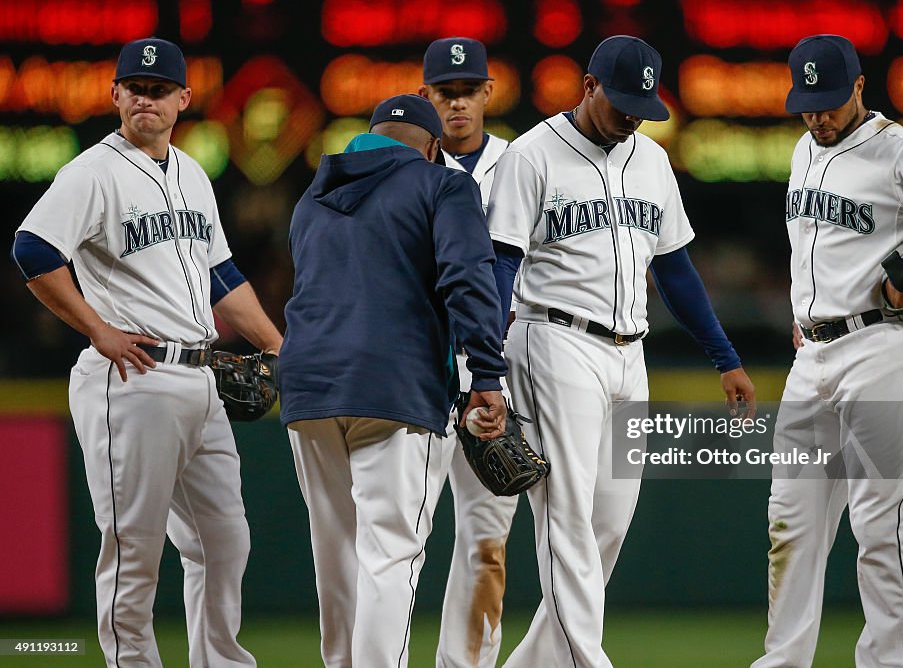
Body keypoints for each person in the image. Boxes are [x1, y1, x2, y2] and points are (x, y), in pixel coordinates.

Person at [11, 37, 283, 667]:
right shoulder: (90, 172)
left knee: (224, 541)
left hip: (202, 376)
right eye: (135, 87)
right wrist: (97, 330)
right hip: (132, 376)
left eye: (159, 90)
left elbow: (222, 277)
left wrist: (277, 345)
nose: (146, 99)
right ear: (115, 95)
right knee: (133, 547)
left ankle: (219, 660)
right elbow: (33, 250)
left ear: (183, 99)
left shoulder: (190, 172)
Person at [486, 35, 756, 667]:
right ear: (588, 86)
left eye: (642, 103)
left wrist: (724, 356)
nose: (632, 115)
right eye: (621, 101)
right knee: (570, 516)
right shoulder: (532, 156)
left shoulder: (651, 161)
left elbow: (677, 271)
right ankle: (590, 661)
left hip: (629, 354)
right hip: (553, 339)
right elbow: (501, 265)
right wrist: (488, 364)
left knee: (608, 522)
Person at [753, 34, 903, 668]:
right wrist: (806, 307)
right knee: (790, 523)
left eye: (830, 102)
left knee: (880, 528)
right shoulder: (804, 150)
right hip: (814, 356)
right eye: (808, 102)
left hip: (887, 347)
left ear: (860, 87)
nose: (818, 114)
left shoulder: (898, 148)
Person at [278, 93, 509, 668]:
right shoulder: (443, 186)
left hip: (308, 386)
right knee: (391, 554)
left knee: (335, 553)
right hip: (395, 385)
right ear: (432, 148)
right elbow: (467, 278)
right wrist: (486, 371)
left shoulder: (315, 192)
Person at [418, 36, 517, 668]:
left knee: (487, 539)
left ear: (488, 92)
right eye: (444, 93)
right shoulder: (408, 167)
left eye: (466, 91)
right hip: (424, 365)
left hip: (499, 370)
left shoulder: (521, 161)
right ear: (426, 96)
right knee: (403, 534)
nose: (457, 103)